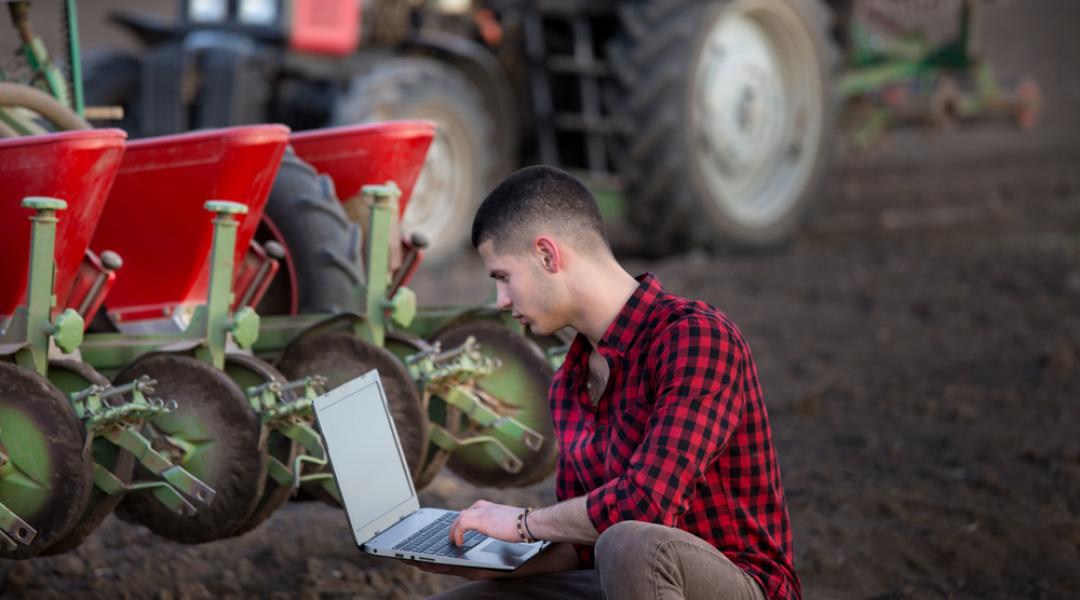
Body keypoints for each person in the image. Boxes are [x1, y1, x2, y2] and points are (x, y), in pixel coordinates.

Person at [420, 166, 800, 600]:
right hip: (619, 580)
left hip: (742, 586)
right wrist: (476, 558)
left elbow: (646, 506)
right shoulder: (568, 384)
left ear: (548, 255)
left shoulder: (695, 337)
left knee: (629, 542)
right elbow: (584, 548)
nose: (501, 301)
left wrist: (522, 524)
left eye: (503, 277)